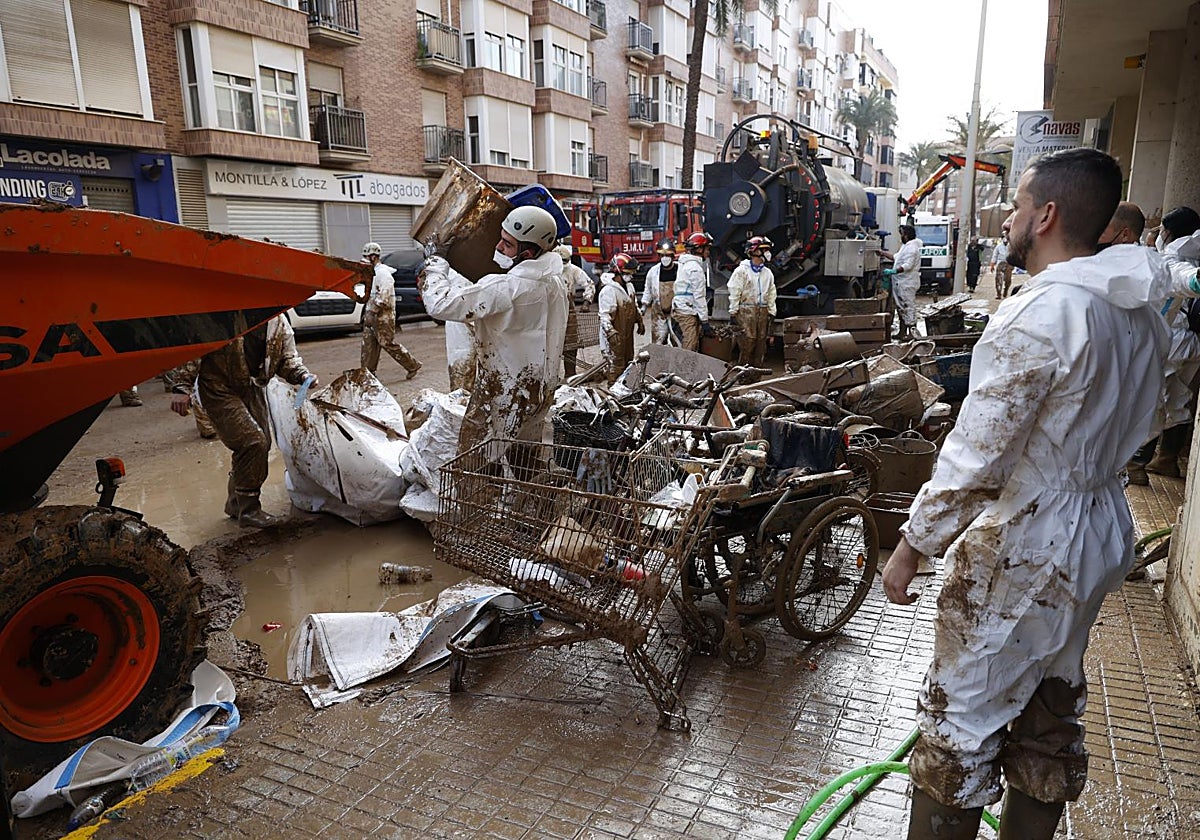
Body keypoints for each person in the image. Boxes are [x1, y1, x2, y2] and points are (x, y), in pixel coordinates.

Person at [881, 148, 1182, 839]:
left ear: (1045, 216)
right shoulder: (1135, 313)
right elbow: (1164, 407)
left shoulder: (1042, 314)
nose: (1009, 221)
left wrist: (910, 548)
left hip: (1030, 537)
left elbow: (977, 460)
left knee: (959, 730)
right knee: (1051, 710)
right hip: (1102, 525)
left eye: (1016, 207)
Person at [421, 203, 568, 454]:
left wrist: (435, 262)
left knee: (477, 460)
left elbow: (439, 304)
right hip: (540, 388)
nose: (499, 247)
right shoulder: (556, 282)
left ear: (528, 254)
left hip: (501, 392)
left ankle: (484, 493)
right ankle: (522, 493)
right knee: (524, 457)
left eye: (507, 244)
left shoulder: (506, 289)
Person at [167, 316, 316, 528]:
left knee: (261, 444)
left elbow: (286, 359)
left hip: (252, 386)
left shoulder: (278, 321)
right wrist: (181, 386)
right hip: (218, 387)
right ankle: (249, 510)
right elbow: (194, 347)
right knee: (251, 441)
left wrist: (302, 375)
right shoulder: (226, 311)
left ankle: (236, 502)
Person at [1130, 206, 1200, 481]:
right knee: (1179, 400)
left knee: (1150, 401)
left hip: (1169, 341)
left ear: (1168, 232)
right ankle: (1167, 460)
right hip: (1192, 343)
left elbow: (1187, 280)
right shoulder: (1192, 255)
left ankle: (1136, 464)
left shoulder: (1172, 259)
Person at [358, 242, 421, 379]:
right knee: (368, 345)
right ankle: (367, 374)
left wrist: (373, 311)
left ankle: (412, 364)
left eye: (367, 257)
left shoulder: (383, 274)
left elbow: (384, 297)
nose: (364, 260)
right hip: (371, 314)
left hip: (383, 316)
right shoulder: (371, 274)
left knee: (387, 343)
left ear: (374, 257)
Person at [727, 235, 777, 366]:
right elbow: (734, 291)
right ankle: (743, 372)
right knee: (748, 342)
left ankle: (756, 375)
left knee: (761, 344)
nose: (767, 253)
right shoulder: (741, 271)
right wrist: (733, 311)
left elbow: (771, 293)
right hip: (746, 312)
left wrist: (772, 311)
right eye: (764, 250)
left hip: (763, 311)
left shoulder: (767, 273)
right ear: (754, 251)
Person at [598, 253, 645, 383]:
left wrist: (639, 320)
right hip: (614, 338)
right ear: (618, 271)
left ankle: (624, 392)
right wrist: (610, 332)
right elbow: (604, 315)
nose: (631, 275)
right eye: (628, 272)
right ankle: (613, 393)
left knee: (628, 362)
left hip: (627, 335)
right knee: (615, 366)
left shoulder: (629, 287)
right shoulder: (608, 291)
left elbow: (634, 305)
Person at [556, 244, 593, 378]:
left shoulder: (573, 270)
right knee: (551, 346)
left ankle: (570, 374)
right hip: (551, 311)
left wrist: (586, 302)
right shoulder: (546, 271)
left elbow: (589, 284)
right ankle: (551, 377)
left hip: (569, 309)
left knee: (571, 344)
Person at [882, 224, 922, 339]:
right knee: (901, 308)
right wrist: (883, 253)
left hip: (907, 283)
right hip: (901, 283)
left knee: (908, 307)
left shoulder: (912, 248)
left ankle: (911, 333)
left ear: (906, 235)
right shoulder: (906, 247)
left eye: (902, 234)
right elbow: (896, 257)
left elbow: (907, 266)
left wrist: (893, 271)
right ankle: (903, 332)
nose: (901, 236)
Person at [674, 231, 712, 351]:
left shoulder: (685, 263)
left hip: (681, 307)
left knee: (687, 341)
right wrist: (705, 321)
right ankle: (684, 369)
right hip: (687, 310)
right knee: (690, 343)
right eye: (707, 249)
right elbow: (699, 296)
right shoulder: (695, 269)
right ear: (699, 249)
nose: (708, 252)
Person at [642, 238, 679, 345]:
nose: (665, 258)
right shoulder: (653, 272)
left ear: (673, 256)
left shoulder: (680, 270)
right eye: (662, 256)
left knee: (678, 341)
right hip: (658, 313)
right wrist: (644, 305)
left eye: (667, 255)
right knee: (658, 342)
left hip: (677, 313)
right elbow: (648, 289)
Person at [990, 234, 1012, 298]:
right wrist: (992, 264)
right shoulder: (998, 246)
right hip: (1000, 263)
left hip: (1008, 263)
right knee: (998, 279)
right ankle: (998, 294)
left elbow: (1014, 255)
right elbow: (995, 255)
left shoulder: (1011, 246)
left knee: (1008, 280)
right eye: (1004, 238)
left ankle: (1005, 291)